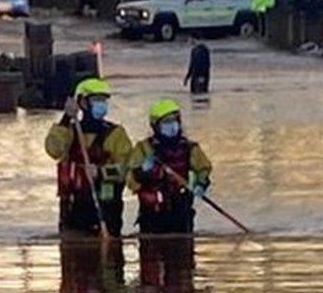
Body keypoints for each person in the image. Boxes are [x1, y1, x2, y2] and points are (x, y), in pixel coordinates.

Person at [45, 78, 133, 236]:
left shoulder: (115, 134)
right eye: (96, 100)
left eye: (103, 100)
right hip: (73, 208)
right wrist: (65, 118)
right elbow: (53, 149)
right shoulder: (69, 131)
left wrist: (100, 173)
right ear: (83, 104)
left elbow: (127, 169)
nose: (101, 105)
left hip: (106, 207)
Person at [127, 99, 212, 234]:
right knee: (151, 251)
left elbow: (203, 169)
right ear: (156, 125)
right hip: (152, 212)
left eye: (175, 120)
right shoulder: (144, 148)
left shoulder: (189, 148)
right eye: (166, 121)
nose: (172, 125)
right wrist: (142, 171)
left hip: (181, 209)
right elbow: (131, 178)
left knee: (183, 250)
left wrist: (200, 184)